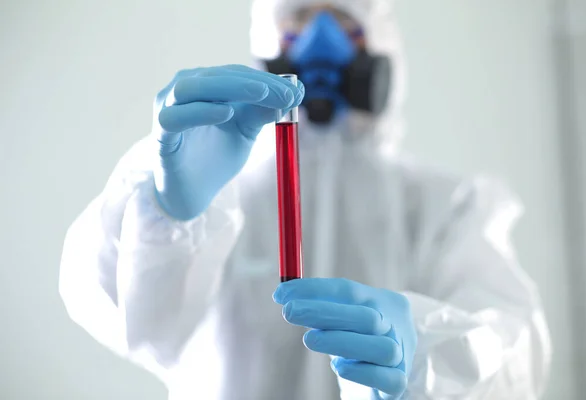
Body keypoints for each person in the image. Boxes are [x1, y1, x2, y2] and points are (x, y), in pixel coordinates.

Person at [59, 0, 552, 399]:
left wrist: (424, 351)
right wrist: (166, 214)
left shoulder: (445, 207)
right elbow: (128, 320)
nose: (320, 39)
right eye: (297, 19)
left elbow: (516, 352)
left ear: (380, 40)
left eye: (342, 19)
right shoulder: (219, 193)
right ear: (267, 41)